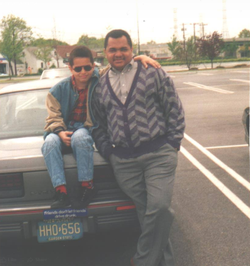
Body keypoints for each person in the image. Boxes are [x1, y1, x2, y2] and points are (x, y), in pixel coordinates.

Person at [92, 30, 185, 266]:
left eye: (123, 48)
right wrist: (109, 153)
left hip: (158, 156)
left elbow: (174, 107)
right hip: (124, 163)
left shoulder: (152, 72)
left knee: (160, 208)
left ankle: (141, 260)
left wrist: (172, 144)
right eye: (113, 50)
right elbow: (98, 125)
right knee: (149, 217)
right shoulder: (101, 84)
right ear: (105, 53)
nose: (118, 54)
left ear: (132, 50)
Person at [41, 45, 161, 210]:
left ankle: (87, 186)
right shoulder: (57, 90)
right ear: (70, 68)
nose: (83, 72)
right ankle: (61, 192)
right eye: (78, 68)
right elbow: (53, 116)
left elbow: (118, 64)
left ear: (93, 66)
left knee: (80, 137)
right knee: (49, 142)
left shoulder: (98, 78)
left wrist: (140, 58)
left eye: (87, 67)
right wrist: (60, 132)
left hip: (84, 128)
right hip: (61, 129)